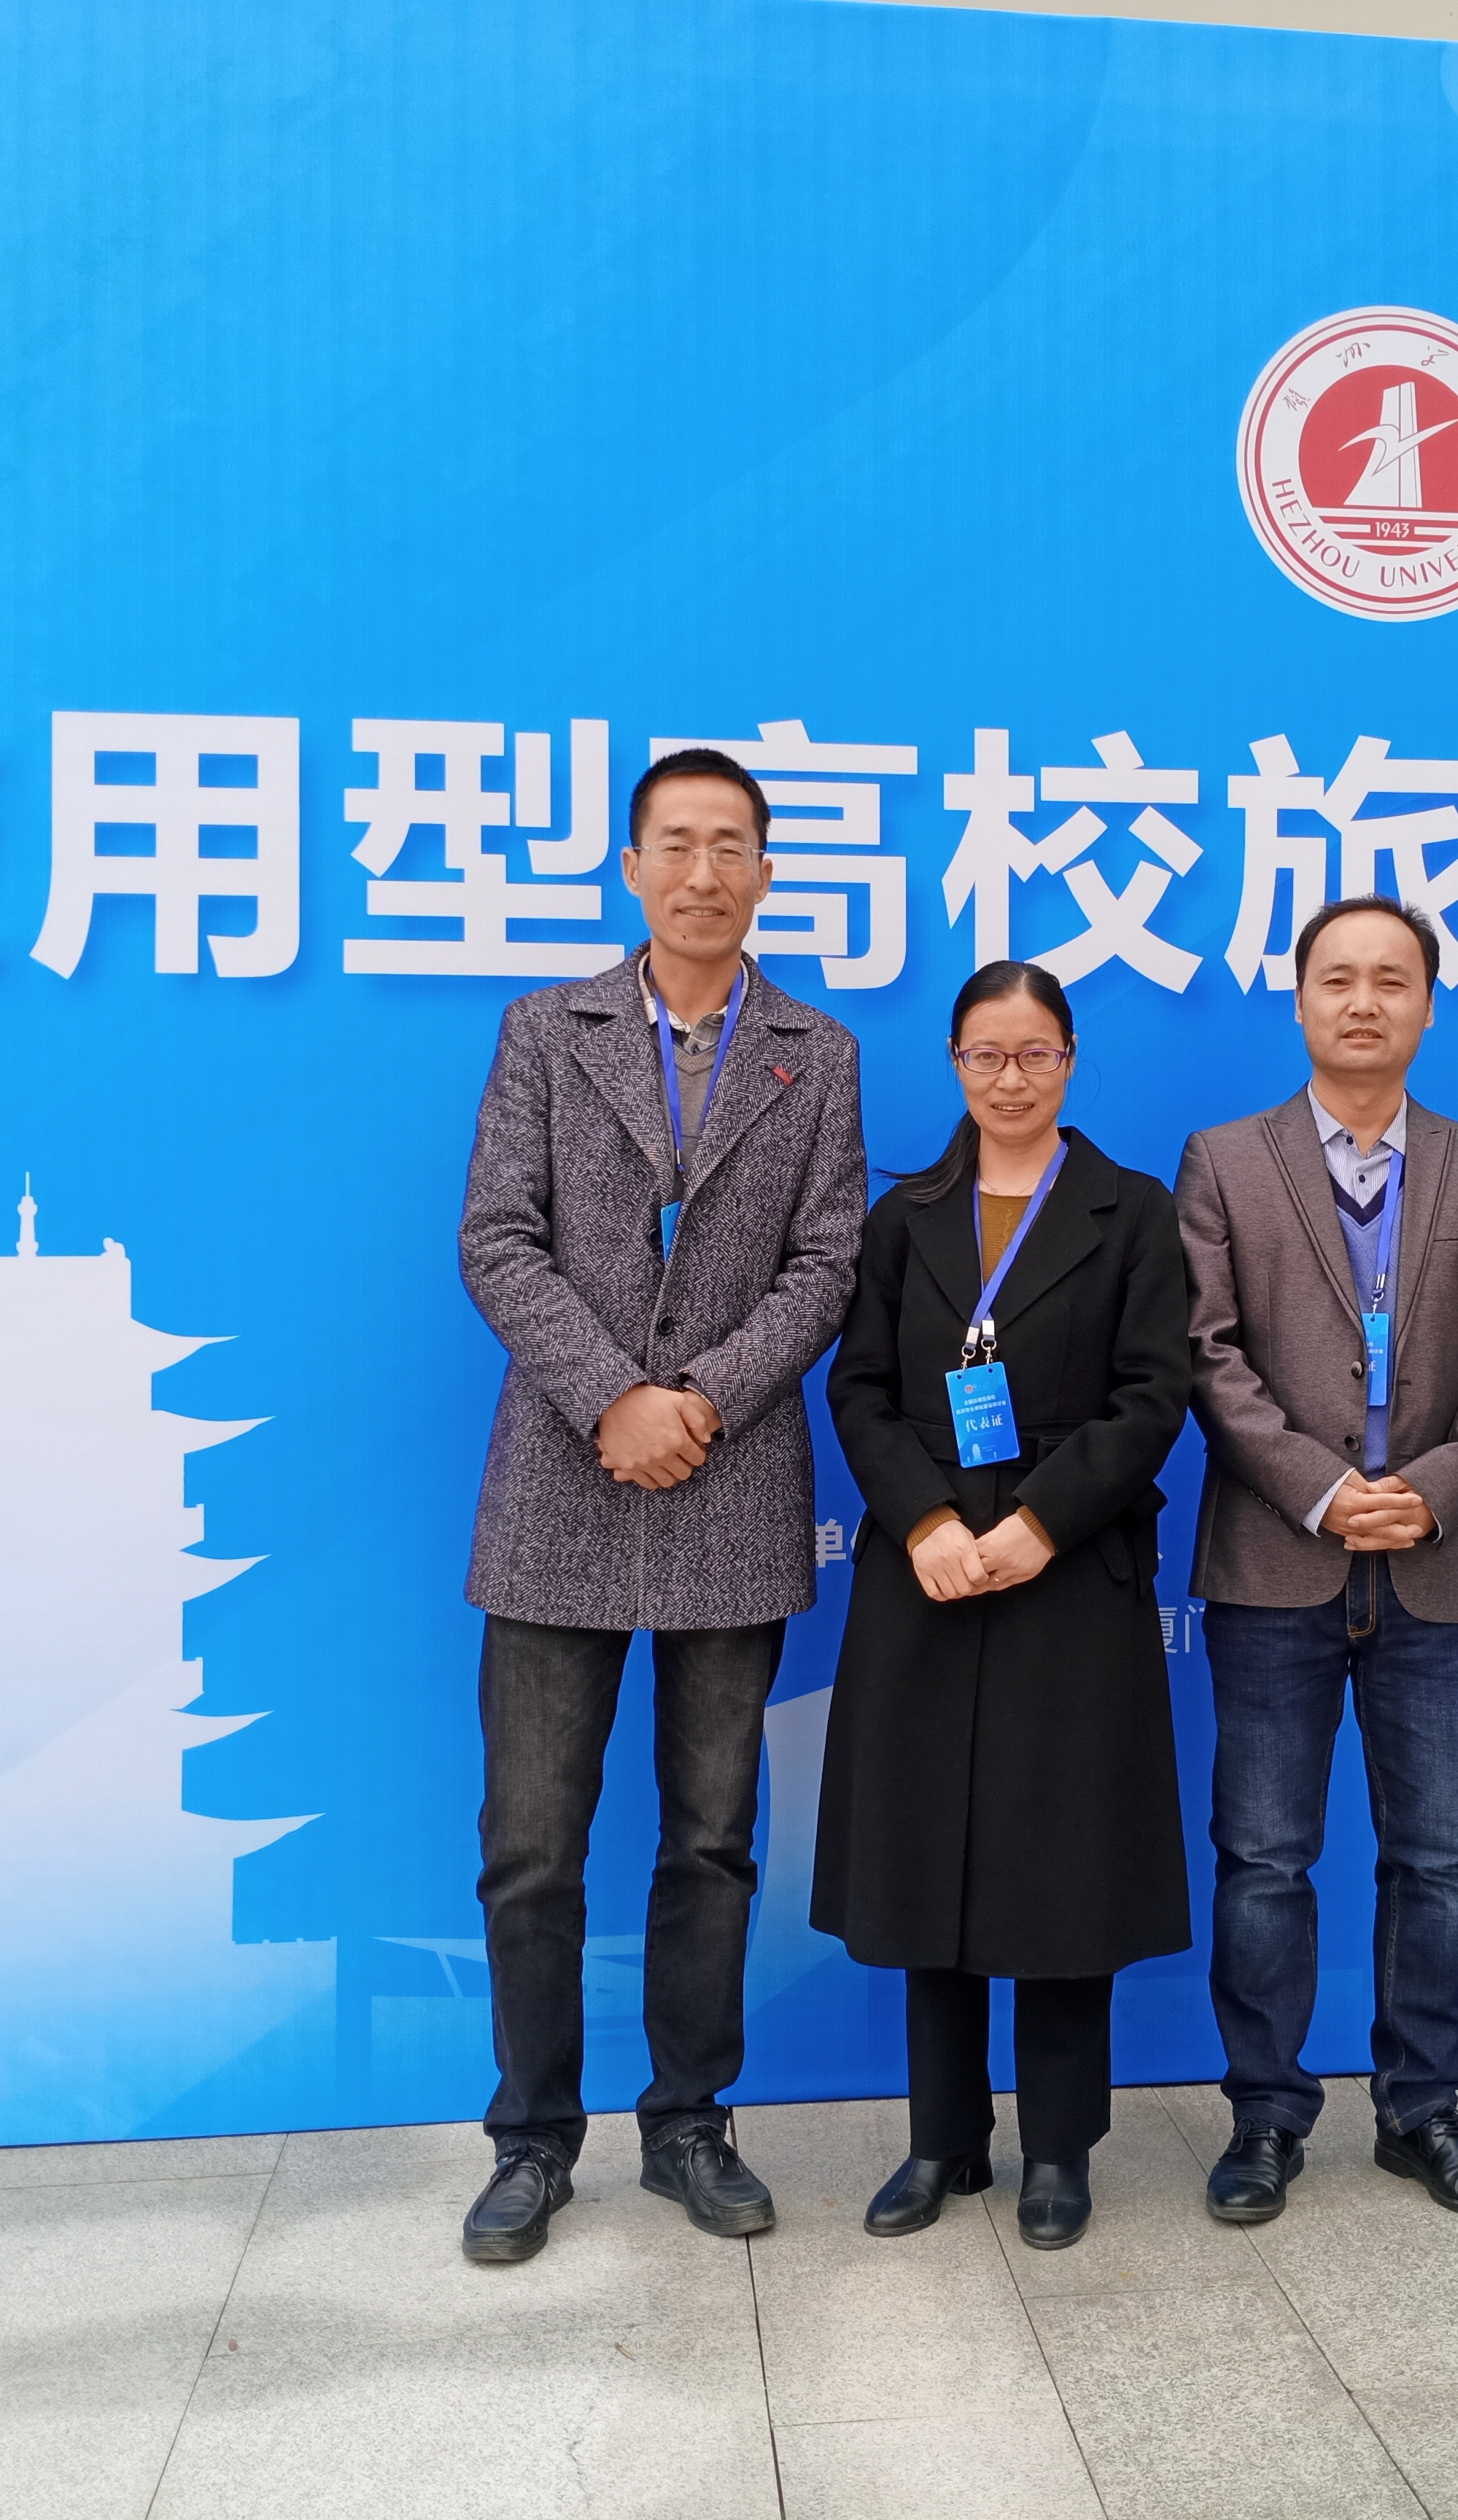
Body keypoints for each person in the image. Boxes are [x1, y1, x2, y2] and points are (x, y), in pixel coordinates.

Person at [451, 746, 866, 2264]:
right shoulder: (544, 1031)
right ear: (632, 868)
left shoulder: (816, 1052)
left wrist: (699, 1399)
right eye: (677, 844)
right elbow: (498, 1239)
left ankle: (690, 2122)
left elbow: (828, 1262)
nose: (705, 872)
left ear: (765, 870)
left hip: (730, 1479)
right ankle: (531, 2139)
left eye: (731, 845)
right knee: (531, 1844)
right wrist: (612, 1397)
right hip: (561, 1478)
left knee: (712, 1840)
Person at [1174, 894, 1458, 2225]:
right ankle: (1265, 2117)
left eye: (1393, 980)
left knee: (1437, 1859)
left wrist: (1431, 1493)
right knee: (1263, 1859)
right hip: (1275, 1558)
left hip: (1437, 1565)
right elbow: (1206, 1351)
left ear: (1428, 1006)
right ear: (1299, 1000)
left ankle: (1423, 2112)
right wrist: (1323, 1490)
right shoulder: (1225, 1161)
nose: (1364, 1002)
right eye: (1338, 978)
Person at [813, 961, 1194, 2251]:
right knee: (928, 1858)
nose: (1011, 1078)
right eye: (986, 1054)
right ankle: (943, 2139)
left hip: (1068, 1571)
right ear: (954, 1063)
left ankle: (1060, 2149)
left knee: (1060, 1868)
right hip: (923, 1574)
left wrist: (1039, 1523)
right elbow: (859, 1390)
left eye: (1035, 1054)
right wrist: (926, 1522)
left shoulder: (1131, 1212)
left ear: (1070, 1061)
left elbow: (1153, 1398)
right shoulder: (905, 1214)